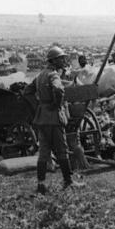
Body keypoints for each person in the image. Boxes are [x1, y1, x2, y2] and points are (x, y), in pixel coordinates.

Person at [23, 46, 83, 194]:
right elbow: (59, 90)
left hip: (42, 118)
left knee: (44, 152)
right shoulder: (53, 75)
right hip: (54, 118)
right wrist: (56, 104)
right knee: (62, 150)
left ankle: (41, 184)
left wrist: (40, 105)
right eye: (61, 58)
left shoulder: (40, 75)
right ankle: (68, 182)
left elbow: (27, 91)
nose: (64, 60)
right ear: (54, 60)